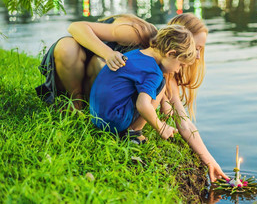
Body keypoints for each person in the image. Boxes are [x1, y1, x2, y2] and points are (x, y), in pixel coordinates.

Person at [36, 13, 228, 182]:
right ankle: (75, 107)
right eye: (197, 47)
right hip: (77, 68)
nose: (197, 56)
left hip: (101, 95)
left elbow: (183, 121)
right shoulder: (140, 33)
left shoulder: (167, 68)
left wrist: (210, 161)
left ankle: (92, 114)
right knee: (79, 52)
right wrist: (108, 53)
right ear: (178, 39)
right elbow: (74, 27)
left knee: (104, 68)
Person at [90, 25, 196, 141]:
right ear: (170, 53)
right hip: (113, 121)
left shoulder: (134, 54)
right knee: (162, 83)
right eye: (180, 65)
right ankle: (134, 132)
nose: (177, 70)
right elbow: (142, 105)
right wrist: (161, 128)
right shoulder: (154, 72)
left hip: (96, 117)